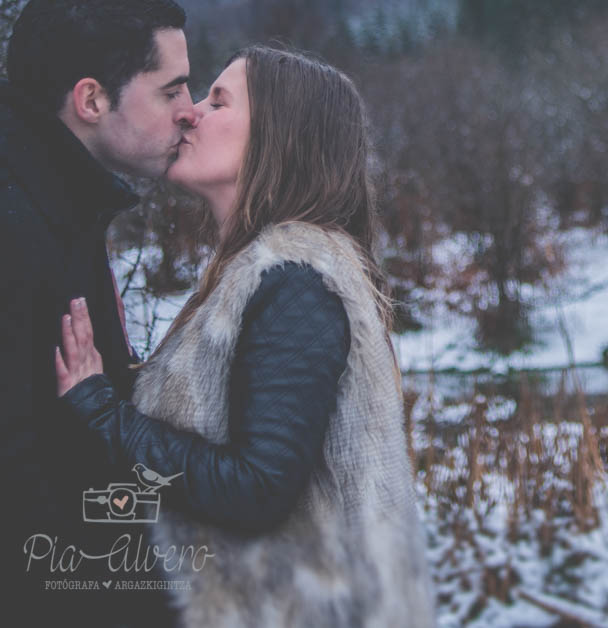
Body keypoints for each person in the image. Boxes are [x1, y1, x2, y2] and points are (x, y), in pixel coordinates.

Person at [56, 46, 436, 627]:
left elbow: (257, 490)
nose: (192, 113)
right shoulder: (262, 276)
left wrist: (103, 414)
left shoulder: (298, 283)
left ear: (277, 137)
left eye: (218, 99)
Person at [0, 0, 195, 625]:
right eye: (170, 91)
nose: (189, 111)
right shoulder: (19, 228)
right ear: (91, 100)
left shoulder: (60, 200)